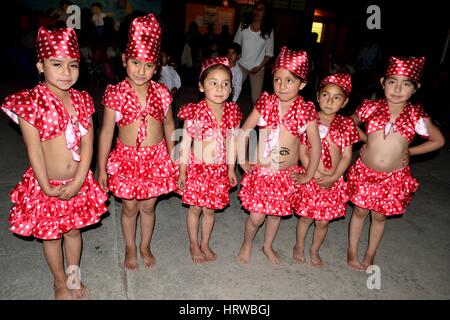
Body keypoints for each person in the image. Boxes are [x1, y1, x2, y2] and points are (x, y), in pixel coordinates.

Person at [1, 27, 108, 299]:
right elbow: (34, 149)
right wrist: (46, 186)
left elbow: (88, 144)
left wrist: (81, 179)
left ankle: (73, 277)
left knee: (73, 232)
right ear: (40, 65)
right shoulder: (30, 102)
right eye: (56, 64)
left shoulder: (82, 100)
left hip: (78, 182)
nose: (66, 72)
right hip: (46, 184)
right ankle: (59, 281)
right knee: (51, 236)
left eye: (72, 65)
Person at [346, 56, 445, 271]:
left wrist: (410, 151)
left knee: (379, 216)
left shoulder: (415, 115)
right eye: (392, 81)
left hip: (393, 176)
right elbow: (348, 123)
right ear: (382, 83)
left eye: (406, 83)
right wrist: (365, 138)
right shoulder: (371, 106)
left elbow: (438, 140)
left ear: (416, 88)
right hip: (365, 171)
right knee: (360, 211)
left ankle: (370, 253)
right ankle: (352, 250)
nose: (398, 88)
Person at [97, 14, 178, 271]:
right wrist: (101, 168)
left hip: (155, 158)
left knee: (148, 206)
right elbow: (106, 133)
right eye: (135, 62)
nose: (141, 70)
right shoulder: (116, 94)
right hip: (126, 158)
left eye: (148, 65)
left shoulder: (163, 93)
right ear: (124, 60)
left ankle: (145, 245)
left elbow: (168, 126)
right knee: (129, 207)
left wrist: (174, 158)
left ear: (157, 66)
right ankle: (131, 246)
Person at [237, 46, 321, 265]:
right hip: (263, 172)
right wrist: (241, 159)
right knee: (256, 217)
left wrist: (309, 175)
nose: (282, 86)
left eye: (289, 81)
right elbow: (245, 130)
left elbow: (316, 144)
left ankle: (267, 246)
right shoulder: (266, 103)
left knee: (275, 216)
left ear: (302, 84)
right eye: (277, 80)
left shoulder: (306, 110)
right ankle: (247, 243)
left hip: (286, 174)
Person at [177, 56, 242, 263]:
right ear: (201, 86)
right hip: (197, 168)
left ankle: (205, 242)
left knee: (210, 210)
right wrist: (182, 171)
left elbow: (232, 143)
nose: (220, 88)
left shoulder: (232, 112)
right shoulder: (195, 112)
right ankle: (193, 243)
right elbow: (186, 143)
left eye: (225, 84)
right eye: (213, 83)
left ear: (231, 89)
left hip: (218, 171)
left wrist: (231, 169)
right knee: (195, 208)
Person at [291, 73, 359, 267]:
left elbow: (346, 156)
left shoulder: (346, 125)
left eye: (336, 97)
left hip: (333, 182)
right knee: (306, 218)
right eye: (326, 95)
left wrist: (335, 176)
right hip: (311, 178)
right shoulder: (309, 120)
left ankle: (314, 249)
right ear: (318, 96)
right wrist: (313, 173)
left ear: (344, 102)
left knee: (323, 222)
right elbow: (302, 150)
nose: (330, 101)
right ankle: (299, 245)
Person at [233, 0, 274, 105]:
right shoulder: (243, 26)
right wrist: (232, 62)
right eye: (256, 8)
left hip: (258, 68)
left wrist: (259, 67)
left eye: (260, 9)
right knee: (232, 92)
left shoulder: (268, 30)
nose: (257, 11)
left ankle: (256, 121)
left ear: (265, 13)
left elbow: (269, 54)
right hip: (241, 65)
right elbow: (235, 46)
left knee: (256, 99)